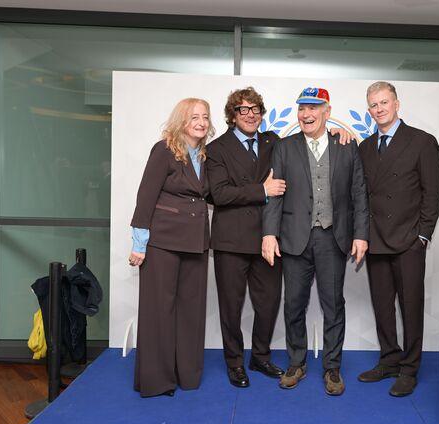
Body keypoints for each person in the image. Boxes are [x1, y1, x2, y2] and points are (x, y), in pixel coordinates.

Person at [206, 87, 355, 388]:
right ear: (232, 115)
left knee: (269, 304)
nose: (250, 115)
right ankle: (235, 363)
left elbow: (312, 139)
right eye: (243, 110)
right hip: (232, 241)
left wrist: (340, 131)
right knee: (231, 308)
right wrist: (260, 190)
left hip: (270, 241)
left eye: (255, 109)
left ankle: (260, 356)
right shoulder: (217, 148)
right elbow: (218, 194)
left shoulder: (273, 142)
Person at [261, 87, 369, 396]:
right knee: (293, 304)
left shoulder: (346, 145)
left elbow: (359, 192)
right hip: (294, 237)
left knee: (333, 305)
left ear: (327, 112)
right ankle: (297, 362)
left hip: (332, 238)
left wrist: (361, 234)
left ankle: (332, 367)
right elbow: (275, 194)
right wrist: (269, 233)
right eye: (302, 108)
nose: (306, 114)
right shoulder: (284, 147)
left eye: (313, 108)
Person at [356, 81, 439, 397]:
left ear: (396, 104)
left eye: (384, 102)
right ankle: (389, 360)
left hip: (409, 240)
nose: (379, 109)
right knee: (382, 306)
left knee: (410, 307)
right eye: (373, 105)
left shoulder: (422, 141)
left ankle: (409, 368)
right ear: (369, 110)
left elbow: (433, 192)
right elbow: (361, 194)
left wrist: (423, 235)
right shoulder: (365, 147)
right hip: (376, 239)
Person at [128, 98, 214, 397]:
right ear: (181, 120)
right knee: (158, 311)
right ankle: (157, 380)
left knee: (192, 312)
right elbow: (145, 198)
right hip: (162, 243)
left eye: (205, 116)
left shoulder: (205, 155)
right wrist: (139, 245)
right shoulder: (163, 150)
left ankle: (186, 375)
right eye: (194, 117)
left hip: (196, 243)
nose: (201, 122)